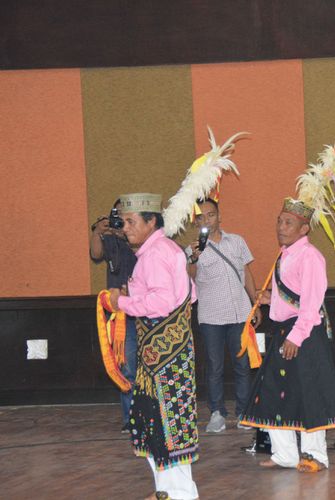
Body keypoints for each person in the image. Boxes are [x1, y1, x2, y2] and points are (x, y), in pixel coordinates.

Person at [239, 198, 335, 472]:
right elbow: (292, 298)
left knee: (308, 393)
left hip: (304, 334)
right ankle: (284, 454)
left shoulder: (310, 257)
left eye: (288, 223)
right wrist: (270, 299)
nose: (281, 227)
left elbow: (310, 305)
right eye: (279, 221)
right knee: (274, 392)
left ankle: (315, 455)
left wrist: (296, 337)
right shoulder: (285, 255)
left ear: (304, 229)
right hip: (284, 331)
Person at [108, 193, 199, 500]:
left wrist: (121, 302)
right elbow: (190, 294)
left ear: (151, 222)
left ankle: (180, 494)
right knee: (159, 420)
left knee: (166, 421)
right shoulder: (162, 251)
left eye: (132, 221)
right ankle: (169, 491)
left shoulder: (157, 253)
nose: (125, 228)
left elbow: (160, 302)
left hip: (163, 355)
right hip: (165, 352)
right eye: (124, 221)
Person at [186, 198, 260, 433]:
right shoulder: (192, 249)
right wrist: (195, 257)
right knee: (215, 366)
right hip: (211, 317)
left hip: (239, 312)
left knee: (242, 364)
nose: (207, 219)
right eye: (202, 217)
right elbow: (190, 278)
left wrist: (255, 304)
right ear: (196, 221)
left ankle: (244, 412)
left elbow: (246, 273)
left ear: (219, 216)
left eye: (211, 214)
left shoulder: (237, 242)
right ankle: (216, 413)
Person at [90, 199, 138, 431]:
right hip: (121, 313)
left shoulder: (141, 238)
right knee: (127, 365)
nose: (121, 222)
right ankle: (130, 417)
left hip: (145, 308)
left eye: (127, 217)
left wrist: (125, 236)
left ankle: (148, 414)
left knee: (148, 365)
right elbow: (96, 254)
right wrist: (98, 232)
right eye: (117, 215)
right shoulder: (108, 237)